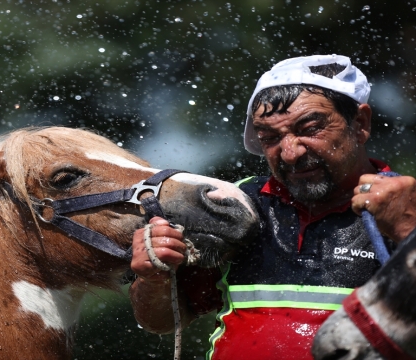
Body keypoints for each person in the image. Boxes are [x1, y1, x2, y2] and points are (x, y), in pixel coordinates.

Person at [129, 54, 416, 360]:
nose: (290, 153)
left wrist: (408, 232)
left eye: (309, 128)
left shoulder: (405, 207)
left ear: (360, 123)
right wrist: (153, 276)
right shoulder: (234, 206)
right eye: (270, 137)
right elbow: (162, 321)